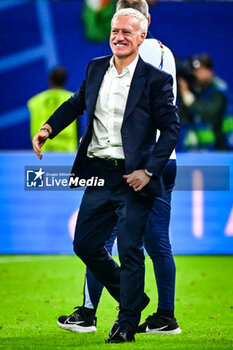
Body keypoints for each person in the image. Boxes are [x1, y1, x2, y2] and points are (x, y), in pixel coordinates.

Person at [33, 8, 179, 343]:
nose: (119, 36)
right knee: (85, 244)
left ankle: (126, 324)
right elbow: (76, 103)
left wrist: (149, 169)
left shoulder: (156, 80)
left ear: (142, 37)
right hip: (99, 173)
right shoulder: (96, 67)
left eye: (127, 31)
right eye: (115, 30)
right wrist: (48, 128)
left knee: (130, 249)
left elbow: (171, 130)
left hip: (132, 176)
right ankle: (135, 300)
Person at [178, 54, 228, 151]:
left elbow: (208, 113)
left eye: (200, 70)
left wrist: (187, 95)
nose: (196, 74)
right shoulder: (199, 90)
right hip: (201, 152)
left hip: (222, 150)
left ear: (209, 71)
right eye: (195, 70)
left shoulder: (218, 91)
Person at [28, 67, 77, 152]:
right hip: (68, 153)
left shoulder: (35, 101)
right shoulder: (73, 99)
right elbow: (78, 128)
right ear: (65, 80)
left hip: (41, 151)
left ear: (49, 80)